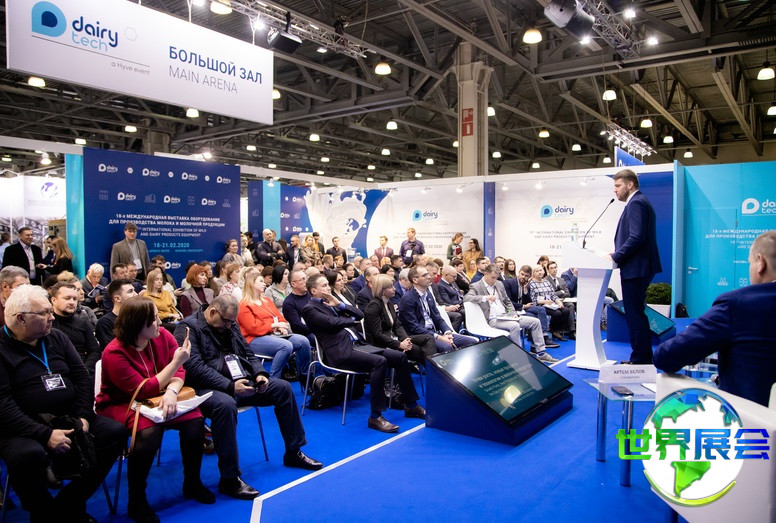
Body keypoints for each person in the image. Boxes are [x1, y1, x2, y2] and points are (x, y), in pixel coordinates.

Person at [175, 296, 321, 500]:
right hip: (205, 389)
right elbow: (194, 368)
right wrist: (229, 386)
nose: (229, 325)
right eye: (226, 321)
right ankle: (229, 478)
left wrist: (260, 373)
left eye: (231, 322)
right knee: (225, 406)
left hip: (239, 381)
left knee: (282, 388)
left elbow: (248, 353)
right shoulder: (187, 328)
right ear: (213, 312)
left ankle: (293, 452)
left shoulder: (230, 323)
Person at [0, 285, 125, 522]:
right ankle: (42, 512)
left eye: (50, 311)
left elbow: (82, 378)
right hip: (22, 426)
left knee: (114, 432)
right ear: (21, 318)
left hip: (69, 415)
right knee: (28, 455)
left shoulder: (56, 337)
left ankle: (69, 504)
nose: (51, 318)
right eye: (44, 313)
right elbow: (3, 405)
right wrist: (45, 434)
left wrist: (83, 416)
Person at [96, 297, 214, 521]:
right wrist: (176, 363)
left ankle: (192, 482)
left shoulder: (163, 336)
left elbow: (180, 372)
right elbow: (142, 390)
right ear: (137, 324)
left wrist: (172, 392)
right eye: (154, 320)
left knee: (195, 421)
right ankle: (137, 499)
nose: (160, 322)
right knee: (149, 432)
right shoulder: (114, 353)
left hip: (161, 396)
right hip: (123, 402)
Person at [654, 230, 776, 406]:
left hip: (747, 417)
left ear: (760, 263)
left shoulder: (737, 304)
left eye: (750, 262)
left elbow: (667, 356)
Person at [302, 274, 425, 433]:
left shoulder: (331, 303)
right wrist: (350, 320)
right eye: (324, 285)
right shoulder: (309, 309)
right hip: (340, 353)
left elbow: (360, 314)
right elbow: (333, 323)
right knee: (379, 362)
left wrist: (340, 305)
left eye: (327, 284)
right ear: (313, 290)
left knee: (400, 357)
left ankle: (411, 405)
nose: (328, 288)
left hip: (358, 345)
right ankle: (375, 416)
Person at [611, 169, 662, 364]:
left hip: (636, 268)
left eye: (618, 185)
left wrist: (616, 256)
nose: (615, 190)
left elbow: (636, 237)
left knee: (635, 315)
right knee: (636, 314)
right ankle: (642, 357)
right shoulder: (639, 201)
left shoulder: (636, 202)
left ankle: (640, 360)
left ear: (630, 184)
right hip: (638, 267)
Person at [465, 266, 557, 363]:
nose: (495, 280)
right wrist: (485, 298)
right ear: (485, 274)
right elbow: (467, 298)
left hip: (506, 316)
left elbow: (507, 301)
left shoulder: (499, 284)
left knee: (535, 322)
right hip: (492, 319)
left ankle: (541, 353)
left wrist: (512, 313)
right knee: (514, 326)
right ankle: (517, 357)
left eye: (496, 277)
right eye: (493, 277)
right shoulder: (476, 286)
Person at [238, 271, 311, 385]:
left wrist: (283, 327)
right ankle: (272, 381)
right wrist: (274, 325)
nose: (264, 284)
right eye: (261, 281)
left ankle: (305, 377)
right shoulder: (243, 305)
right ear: (251, 284)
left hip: (274, 335)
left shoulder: (266, 301)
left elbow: (280, 318)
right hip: (253, 339)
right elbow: (253, 328)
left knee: (303, 341)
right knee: (286, 346)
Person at [398, 266, 477, 354]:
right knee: (447, 347)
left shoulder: (428, 294)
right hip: (422, 336)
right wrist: (440, 337)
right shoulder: (407, 299)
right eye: (424, 275)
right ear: (415, 280)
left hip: (435, 333)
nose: (429, 277)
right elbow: (414, 327)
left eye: (428, 274)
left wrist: (447, 333)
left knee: (472, 342)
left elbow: (438, 317)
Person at [364, 274, 436, 362]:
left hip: (395, 339)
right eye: (390, 287)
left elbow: (397, 325)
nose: (394, 288)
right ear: (382, 290)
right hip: (382, 344)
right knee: (421, 352)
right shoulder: (373, 307)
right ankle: (431, 368)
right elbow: (377, 335)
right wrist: (399, 344)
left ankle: (430, 368)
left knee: (428, 338)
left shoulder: (389, 303)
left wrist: (406, 339)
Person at [49, 282, 102, 377]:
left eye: (74, 299)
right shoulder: (47, 324)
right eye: (67, 298)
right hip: (57, 374)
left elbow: (94, 351)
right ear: (54, 300)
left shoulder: (83, 323)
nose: (72, 302)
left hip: (83, 372)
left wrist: (86, 370)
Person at [504, 265, 557, 348]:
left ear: (529, 277)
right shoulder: (509, 283)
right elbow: (508, 302)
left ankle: (544, 335)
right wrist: (523, 306)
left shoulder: (527, 285)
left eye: (526, 276)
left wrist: (525, 291)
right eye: (522, 274)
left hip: (524, 308)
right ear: (519, 272)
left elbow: (529, 301)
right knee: (533, 317)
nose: (523, 277)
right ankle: (534, 345)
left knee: (541, 309)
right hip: (513, 309)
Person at [529, 265, 575, 341]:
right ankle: (553, 330)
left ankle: (556, 329)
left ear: (543, 271)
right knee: (557, 313)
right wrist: (545, 302)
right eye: (537, 271)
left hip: (551, 304)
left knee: (566, 310)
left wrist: (559, 302)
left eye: (540, 270)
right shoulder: (532, 284)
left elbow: (552, 295)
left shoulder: (546, 282)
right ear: (533, 273)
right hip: (540, 305)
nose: (539, 272)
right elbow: (533, 300)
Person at [95, 278, 137, 349]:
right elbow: (112, 350)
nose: (136, 294)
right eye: (130, 291)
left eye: (134, 290)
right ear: (117, 298)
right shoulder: (105, 323)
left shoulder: (139, 317)